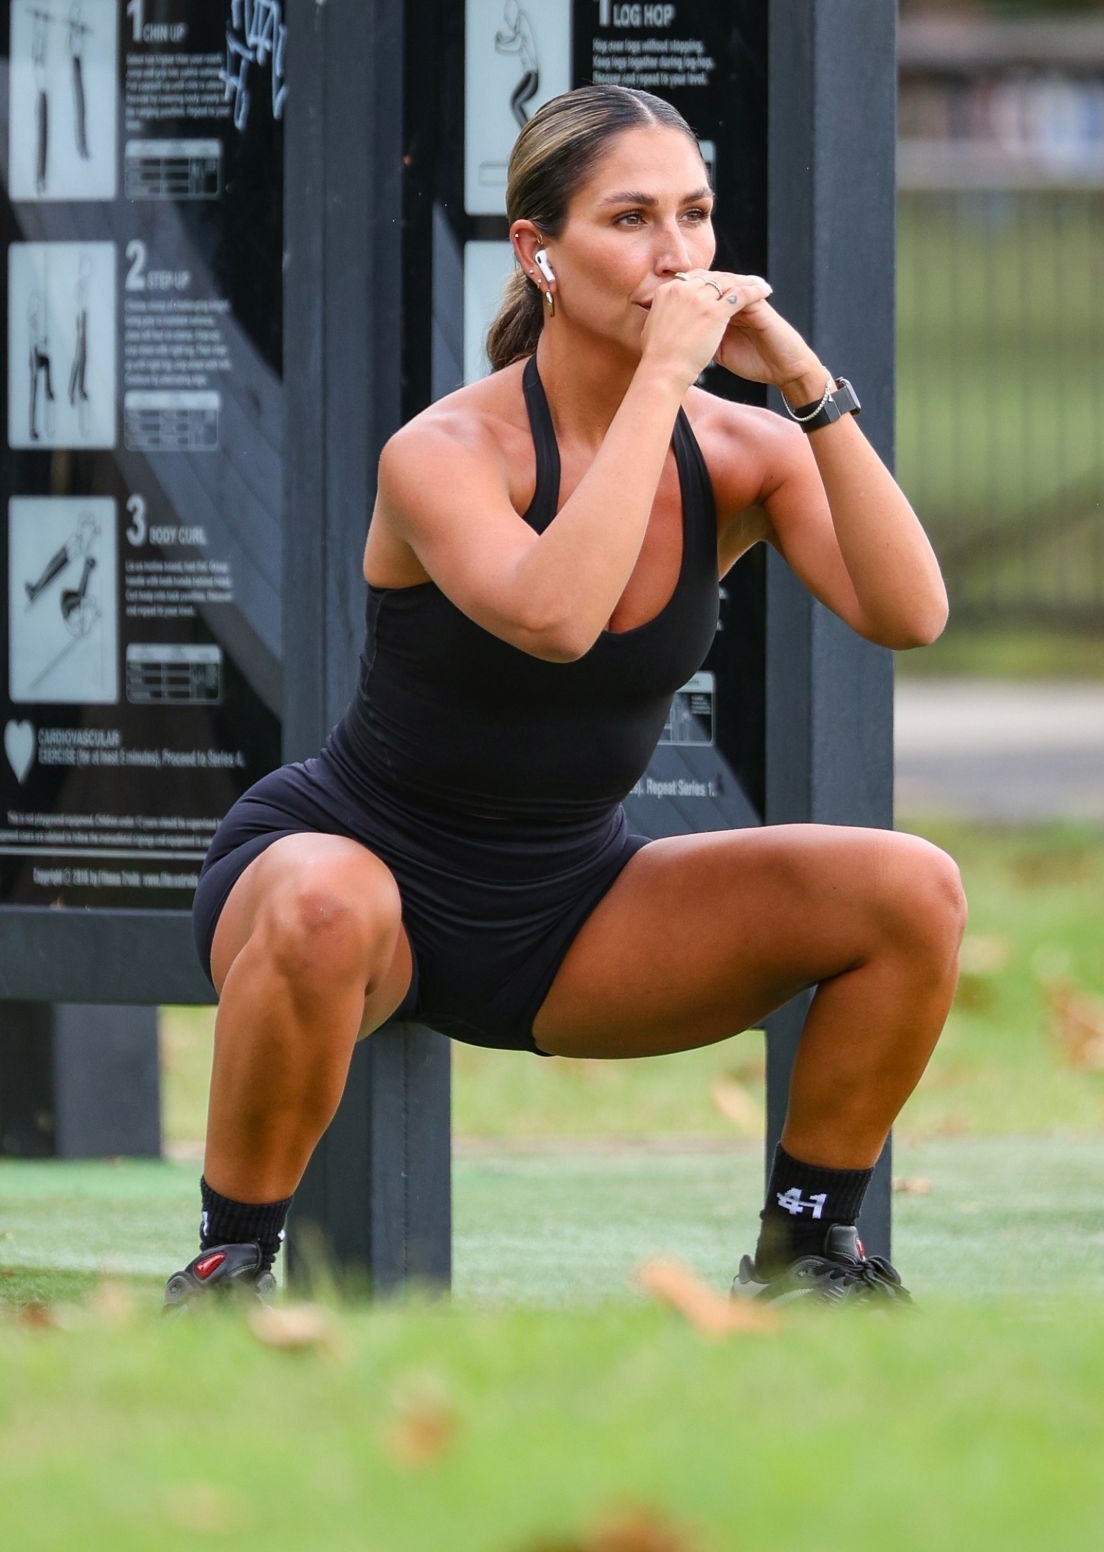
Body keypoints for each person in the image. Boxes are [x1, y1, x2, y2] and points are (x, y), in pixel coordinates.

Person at [165, 84, 965, 1312]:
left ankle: (807, 1252)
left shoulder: (743, 451)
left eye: (694, 216)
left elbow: (909, 614)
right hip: (347, 873)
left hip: (566, 909)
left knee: (912, 888)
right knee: (330, 900)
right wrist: (662, 383)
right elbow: (553, 617)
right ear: (538, 251)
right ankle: (230, 1265)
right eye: (632, 218)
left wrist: (803, 383)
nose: (678, 255)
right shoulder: (443, 453)